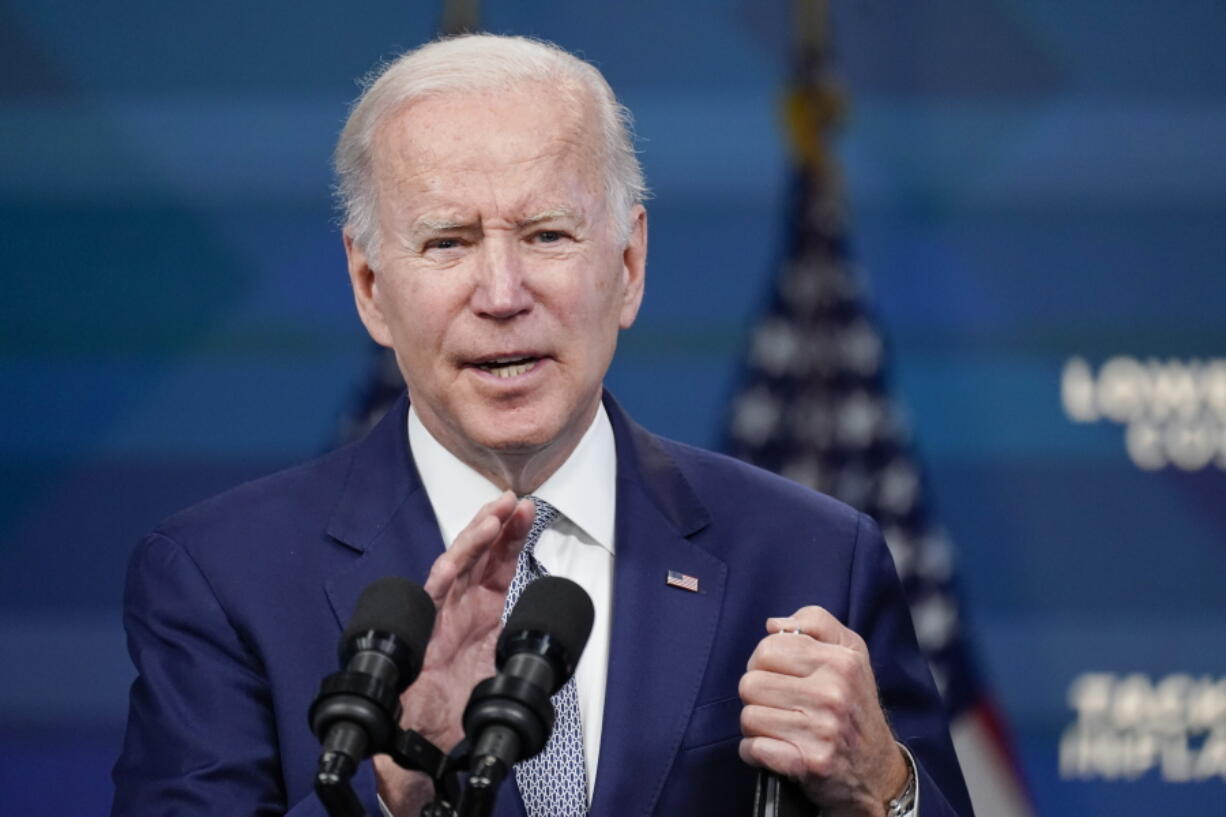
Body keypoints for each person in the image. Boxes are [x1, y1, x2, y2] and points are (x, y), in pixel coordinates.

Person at [112, 34, 973, 817]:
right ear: (370, 286)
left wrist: (884, 789)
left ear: (629, 265)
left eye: (547, 234)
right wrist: (398, 794)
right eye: (447, 242)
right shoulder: (223, 580)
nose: (502, 293)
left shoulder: (811, 555)